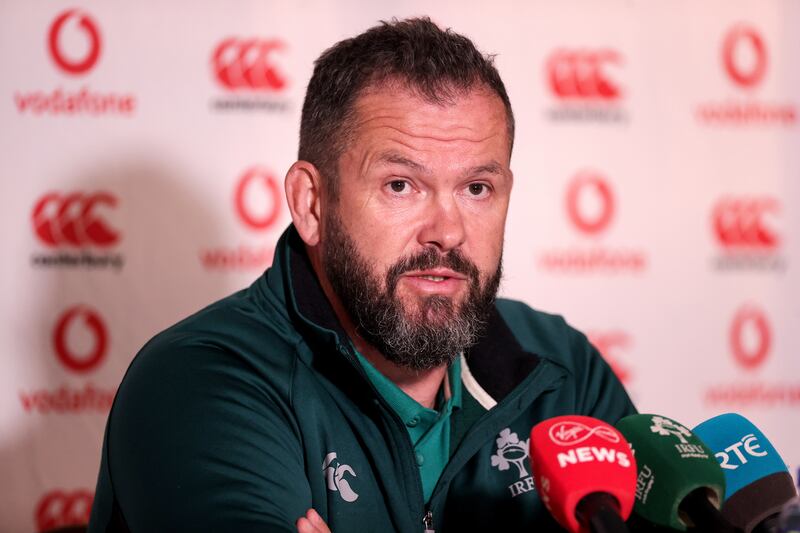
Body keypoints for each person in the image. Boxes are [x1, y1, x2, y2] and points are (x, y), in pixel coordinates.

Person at [88, 17, 635, 532]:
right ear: (312, 203)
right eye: (401, 185)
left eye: (476, 189)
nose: (447, 231)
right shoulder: (202, 382)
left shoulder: (563, 374)